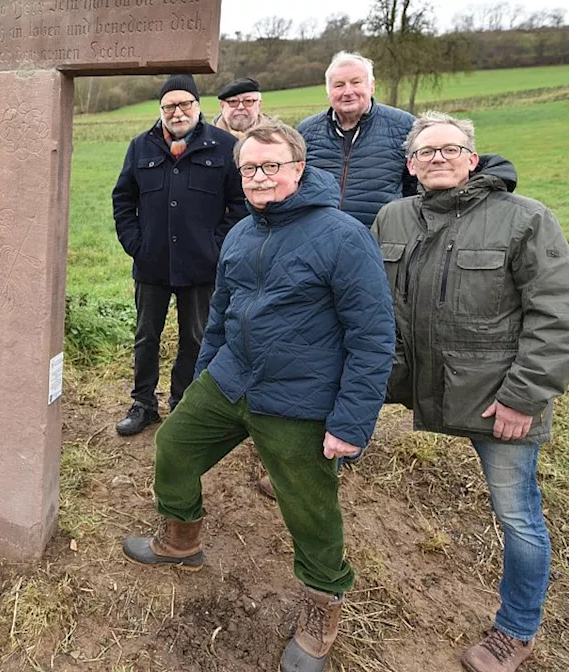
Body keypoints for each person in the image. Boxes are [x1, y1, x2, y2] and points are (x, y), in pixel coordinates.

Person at [122, 122, 394, 672]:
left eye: (271, 166)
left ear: (298, 167)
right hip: (230, 382)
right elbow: (219, 314)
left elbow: (373, 334)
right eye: (249, 168)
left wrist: (351, 421)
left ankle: (322, 606)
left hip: (298, 399)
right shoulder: (243, 233)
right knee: (173, 446)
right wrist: (204, 375)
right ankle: (181, 537)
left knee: (308, 507)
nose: (259, 176)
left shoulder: (342, 235)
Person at [372, 112, 569, 672]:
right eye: (426, 152)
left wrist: (525, 396)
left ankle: (515, 630)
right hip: (411, 378)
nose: (437, 158)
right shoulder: (391, 218)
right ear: (411, 165)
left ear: (473, 158)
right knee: (344, 425)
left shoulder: (524, 220)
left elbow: (558, 316)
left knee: (517, 515)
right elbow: (370, 304)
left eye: (449, 149)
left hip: (497, 396)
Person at [111, 74, 248, 436]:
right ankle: (143, 403)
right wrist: (136, 244)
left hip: (202, 266)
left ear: (198, 106)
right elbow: (123, 199)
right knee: (146, 336)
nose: (178, 111)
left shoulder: (224, 147)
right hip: (151, 263)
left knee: (196, 336)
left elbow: (239, 204)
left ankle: (183, 402)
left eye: (185, 103)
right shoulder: (141, 147)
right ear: (161, 110)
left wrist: (216, 248)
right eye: (170, 105)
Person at [297, 52, 417, 228]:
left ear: (372, 86)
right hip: (320, 240)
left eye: (356, 82)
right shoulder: (306, 131)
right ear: (328, 91)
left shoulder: (405, 126)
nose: (348, 92)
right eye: (339, 85)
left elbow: (417, 186)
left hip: (382, 240)